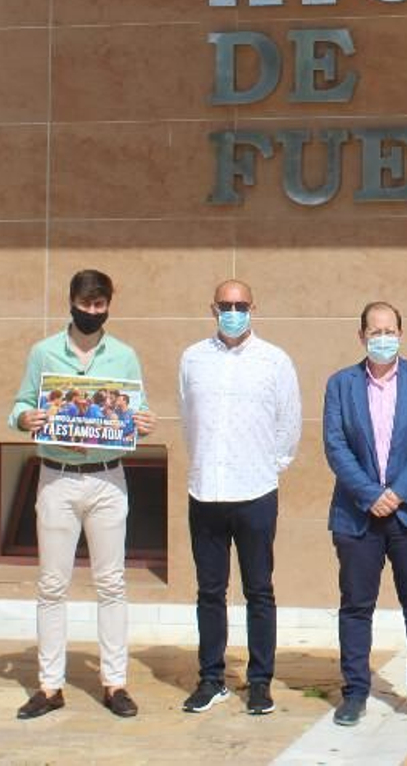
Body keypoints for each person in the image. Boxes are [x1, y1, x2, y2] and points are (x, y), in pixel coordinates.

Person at [10, 269, 155, 720]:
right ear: (71, 302)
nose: (92, 312)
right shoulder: (43, 352)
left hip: (107, 478)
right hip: (56, 476)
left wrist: (144, 421)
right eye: (85, 303)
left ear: (108, 306)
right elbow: (20, 404)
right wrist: (25, 418)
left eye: (99, 305)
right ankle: (49, 685)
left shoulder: (124, 356)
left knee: (111, 583)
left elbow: (138, 408)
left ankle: (115, 683)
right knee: (52, 585)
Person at [177, 279, 302, 716]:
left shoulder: (275, 361)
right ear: (212, 307)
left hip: (255, 491)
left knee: (259, 590)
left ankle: (260, 681)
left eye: (241, 304)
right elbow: (188, 419)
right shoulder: (193, 358)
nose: (233, 311)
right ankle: (211, 678)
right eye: (226, 305)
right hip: (205, 490)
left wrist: (268, 467)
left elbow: (289, 427)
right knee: (210, 591)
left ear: (254, 307)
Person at [323, 301, 407, 727]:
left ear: (401, 332)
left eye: (389, 330)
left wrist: (397, 492)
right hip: (358, 513)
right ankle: (355, 691)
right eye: (374, 332)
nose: (382, 338)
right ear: (361, 336)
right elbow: (335, 445)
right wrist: (370, 493)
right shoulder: (340, 384)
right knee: (356, 606)